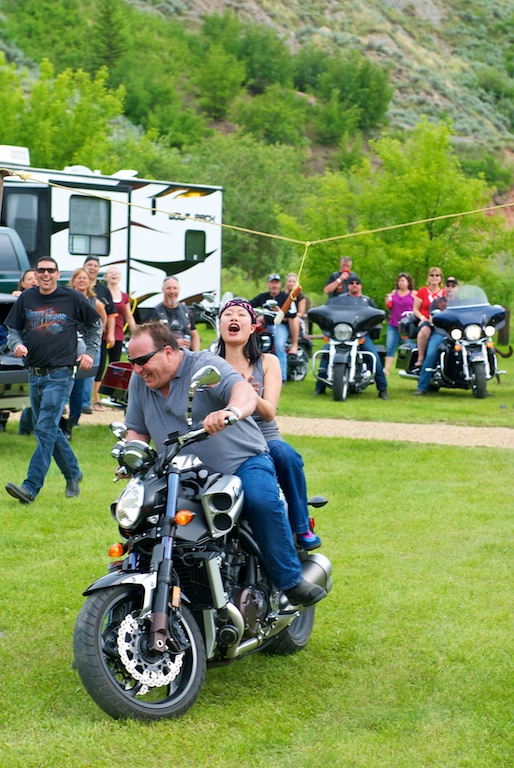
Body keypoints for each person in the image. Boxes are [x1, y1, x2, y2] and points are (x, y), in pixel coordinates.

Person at [124, 321, 326, 607]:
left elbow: (243, 392)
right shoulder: (140, 381)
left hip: (240, 463)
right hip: (179, 473)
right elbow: (137, 429)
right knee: (144, 515)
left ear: (168, 352)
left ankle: (290, 581)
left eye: (142, 361)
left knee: (261, 501)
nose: (136, 369)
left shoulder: (204, 365)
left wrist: (231, 411)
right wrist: (131, 453)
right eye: (132, 362)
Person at [216, 298, 322, 550]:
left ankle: (300, 526)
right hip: (225, 436)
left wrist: (248, 396)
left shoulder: (267, 361)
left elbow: (269, 412)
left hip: (262, 434)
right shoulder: (209, 363)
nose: (233, 317)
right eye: (227, 314)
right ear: (220, 325)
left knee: (286, 455)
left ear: (253, 327)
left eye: (241, 314)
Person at [4, 257, 102, 503]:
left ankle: (30, 487)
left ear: (58, 274)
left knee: (45, 428)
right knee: (50, 429)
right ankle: (73, 473)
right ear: (36, 274)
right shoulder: (27, 297)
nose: (46, 274)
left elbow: (95, 324)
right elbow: (13, 329)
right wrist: (16, 344)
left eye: (50, 270)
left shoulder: (72, 298)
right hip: (34, 374)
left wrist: (90, 352)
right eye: (41, 270)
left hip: (60, 374)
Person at [315, 278, 389, 399]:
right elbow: (328, 313)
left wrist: (368, 329)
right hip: (339, 335)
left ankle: (382, 389)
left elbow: (375, 317)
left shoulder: (367, 301)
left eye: (357, 283)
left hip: (360, 336)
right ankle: (319, 387)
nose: (354, 285)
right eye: (351, 283)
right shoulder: (338, 300)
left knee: (374, 357)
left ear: (361, 286)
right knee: (326, 354)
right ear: (347, 286)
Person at [64, 268, 107, 437]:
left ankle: (74, 420)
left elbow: (102, 321)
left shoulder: (95, 302)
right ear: (73, 280)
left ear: (90, 281)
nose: (82, 280)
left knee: (80, 384)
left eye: (84, 278)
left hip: (86, 347)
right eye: (78, 278)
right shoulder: (66, 298)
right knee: (64, 382)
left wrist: (94, 339)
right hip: (67, 345)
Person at [91, 265, 137, 408]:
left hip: (118, 334)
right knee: (100, 366)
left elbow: (129, 316)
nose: (114, 275)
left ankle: (113, 397)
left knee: (116, 368)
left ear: (120, 277)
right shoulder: (102, 293)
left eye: (116, 273)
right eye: (111, 273)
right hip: (103, 334)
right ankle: (96, 398)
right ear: (106, 277)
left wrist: (137, 333)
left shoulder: (124, 296)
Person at [250, 274, 300, 383]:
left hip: (280, 325)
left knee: (279, 346)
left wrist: (280, 311)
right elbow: (249, 305)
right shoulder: (263, 297)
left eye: (276, 283)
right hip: (266, 325)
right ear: (268, 284)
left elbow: (293, 313)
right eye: (272, 283)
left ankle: (282, 377)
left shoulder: (285, 297)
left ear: (280, 284)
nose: (274, 285)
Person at [82, 256, 116, 413]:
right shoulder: (76, 288)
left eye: (95, 265)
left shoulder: (103, 290)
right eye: (89, 264)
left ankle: (87, 402)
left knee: (93, 368)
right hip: (75, 337)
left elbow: (109, 314)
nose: (92, 267)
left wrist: (107, 332)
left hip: (95, 337)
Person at [414, 278, 459, 396]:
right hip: (441, 331)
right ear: (445, 288)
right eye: (448, 286)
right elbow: (432, 319)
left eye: (453, 286)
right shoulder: (437, 302)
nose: (450, 288)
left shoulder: (461, 303)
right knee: (431, 353)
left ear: (457, 288)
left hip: (459, 333)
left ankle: (481, 383)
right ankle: (422, 386)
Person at [11, 269, 39, 434]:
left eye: (36, 278)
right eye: (29, 279)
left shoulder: (46, 299)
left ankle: (28, 428)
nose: (34, 281)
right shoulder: (18, 299)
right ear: (22, 283)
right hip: (21, 351)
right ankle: (26, 428)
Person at [145, 275, 200, 351]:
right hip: (165, 354)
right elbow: (150, 339)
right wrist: (174, 343)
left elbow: (194, 336)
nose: (172, 292)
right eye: (168, 288)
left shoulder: (186, 311)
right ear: (163, 290)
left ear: (179, 289)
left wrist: (195, 354)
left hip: (186, 354)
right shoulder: (154, 312)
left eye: (175, 288)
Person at [412, 267, 445, 370]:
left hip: (441, 322)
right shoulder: (422, 291)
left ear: (441, 278)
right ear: (428, 278)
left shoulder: (444, 293)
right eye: (432, 275)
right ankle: (421, 357)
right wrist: (422, 318)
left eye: (437, 275)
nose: (434, 278)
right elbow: (415, 309)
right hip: (426, 320)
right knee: (425, 331)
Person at [384, 272, 417, 375]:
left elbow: (418, 307)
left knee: (408, 346)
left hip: (406, 326)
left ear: (408, 282)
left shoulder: (413, 294)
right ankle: (386, 369)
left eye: (403, 281)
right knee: (390, 346)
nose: (401, 283)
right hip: (393, 324)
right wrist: (387, 302)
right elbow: (389, 308)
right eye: (399, 281)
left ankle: (409, 367)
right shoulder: (394, 293)